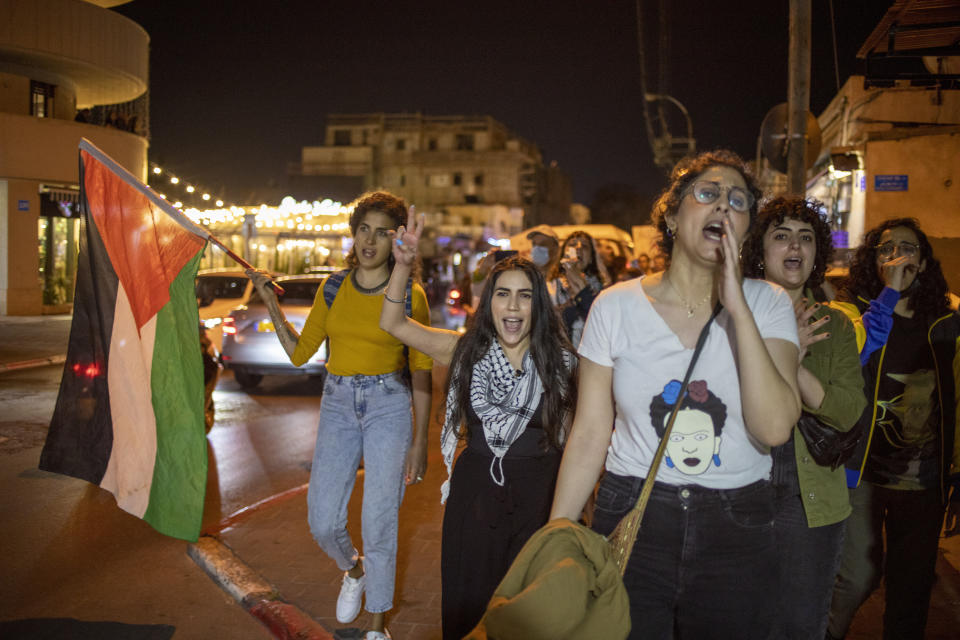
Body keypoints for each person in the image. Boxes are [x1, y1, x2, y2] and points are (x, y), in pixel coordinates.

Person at [549, 150, 802, 639]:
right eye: (707, 194)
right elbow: (589, 432)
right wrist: (556, 535)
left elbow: (773, 427)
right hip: (633, 513)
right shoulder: (613, 305)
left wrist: (737, 307)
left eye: (738, 200)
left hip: (738, 525)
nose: (723, 206)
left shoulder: (768, 303)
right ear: (670, 215)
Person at [379, 210, 577, 640]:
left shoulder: (561, 363)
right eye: (502, 293)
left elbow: (570, 438)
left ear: (537, 306)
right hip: (476, 494)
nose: (512, 305)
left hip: (538, 495)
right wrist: (403, 264)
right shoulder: (464, 351)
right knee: (470, 610)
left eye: (525, 296)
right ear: (489, 301)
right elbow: (392, 323)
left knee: (528, 614)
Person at [247, 191, 432, 640]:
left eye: (382, 232)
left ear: (397, 239)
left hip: (389, 404)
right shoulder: (333, 287)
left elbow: (422, 372)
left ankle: (377, 626)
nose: (370, 240)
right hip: (338, 403)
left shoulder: (411, 294)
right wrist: (270, 302)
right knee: (323, 520)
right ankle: (353, 569)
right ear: (353, 234)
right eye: (363, 228)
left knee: (380, 520)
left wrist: (420, 440)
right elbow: (299, 353)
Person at [826, 217, 960, 640]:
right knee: (857, 576)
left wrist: (956, 470)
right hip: (860, 471)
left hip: (923, 479)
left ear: (924, 261)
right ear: (874, 260)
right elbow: (852, 350)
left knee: (911, 587)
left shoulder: (949, 318)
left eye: (909, 247)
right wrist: (889, 294)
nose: (898, 254)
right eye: (887, 248)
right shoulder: (851, 309)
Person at [740, 196, 866, 639]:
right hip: (739, 489)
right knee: (739, 619)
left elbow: (849, 412)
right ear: (759, 250)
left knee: (799, 624)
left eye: (806, 237)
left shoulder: (837, 325)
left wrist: (792, 362)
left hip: (809, 498)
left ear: (816, 254)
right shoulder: (734, 317)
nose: (795, 246)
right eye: (781, 236)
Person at [551, 230, 610, 347]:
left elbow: (603, 323)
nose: (578, 248)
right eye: (573, 245)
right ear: (563, 253)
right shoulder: (550, 287)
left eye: (584, 246)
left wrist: (579, 282)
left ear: (592, 257)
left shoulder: (604, 289)